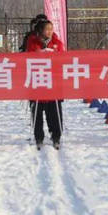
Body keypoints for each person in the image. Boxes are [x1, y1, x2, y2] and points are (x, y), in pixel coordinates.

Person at [25, 19, 65, 149]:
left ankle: (56, 135)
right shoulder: (32, 42)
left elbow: (63, 58)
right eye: (47, 29)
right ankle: (38, 136)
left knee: (54, 111)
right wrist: (40, 54)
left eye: (51, 29)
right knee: (37, 112)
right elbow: (27, 58)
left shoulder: (57, 43)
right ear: (40, 30)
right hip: (37, 82)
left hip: (53, 82)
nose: (49, 32)